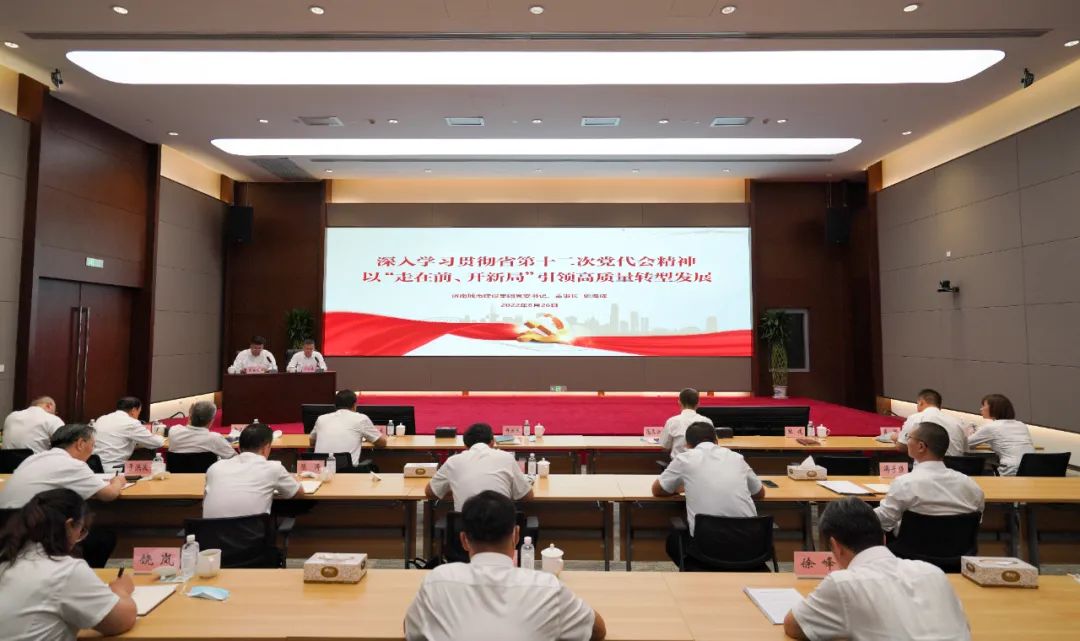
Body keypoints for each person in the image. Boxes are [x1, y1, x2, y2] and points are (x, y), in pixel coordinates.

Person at [405, 490, 606, 641]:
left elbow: (411, 629)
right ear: (516, 535)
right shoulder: (548, 587)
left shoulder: (436, 582)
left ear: (464, 540)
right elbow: (596, 631)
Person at [783, 497, 971, 641]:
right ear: (883, 538)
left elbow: (794, 625)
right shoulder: (933, 572)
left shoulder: (843, 583)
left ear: (835, 546)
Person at [0, 489, 137, 641]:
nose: (79, 537)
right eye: (81, 530)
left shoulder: (7, 556)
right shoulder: (64, 570)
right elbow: (121, 620)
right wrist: (120, 590)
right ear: (70, 525)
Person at [0, 424, 126, 567]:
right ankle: (80, 574)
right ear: (80, 443)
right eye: (93, 445)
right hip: (32, 533)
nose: (92, 451)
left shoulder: (33, 458)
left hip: (6, 524)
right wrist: (118, 481)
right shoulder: (73, 464)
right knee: (102, 539)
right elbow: (109, 494)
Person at [652, 422, 764, 566]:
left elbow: (658, 489)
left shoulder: (685, 458)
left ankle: (699, 572)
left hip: (707, 548)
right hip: (751, 546)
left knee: (673, 542)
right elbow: (759, 492)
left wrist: (680, 489)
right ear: (716, 441)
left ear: (687, 445)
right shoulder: (737, 458)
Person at [874, 422, 984, 534]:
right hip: (960, 545)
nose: (906, 441)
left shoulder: (904, 483)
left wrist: (864, 512)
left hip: (912, 544)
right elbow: (977, 521)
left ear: (921, 446)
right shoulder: (971, 485)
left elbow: (885, 520)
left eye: (908, 437)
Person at [202, 422, 303, 519]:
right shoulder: (274, 468)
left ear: (239, 448)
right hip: (252, 530)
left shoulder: (214, 468)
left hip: (210, 530)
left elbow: (204, 502)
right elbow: (298, 493)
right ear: (266, 448)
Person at [426, 423, 532, 512]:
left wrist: (454, 490)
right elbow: (527, 496)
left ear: (465, 446)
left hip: (467, 527)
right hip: (501, 526)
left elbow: (430, 492)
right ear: (492, 442)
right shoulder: (507, 458)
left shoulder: (453, 461)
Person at [310, 390, 386, 467]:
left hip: (319, 470)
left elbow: (312, 441)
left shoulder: (321, 419)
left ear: (335, 405)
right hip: (346, 471)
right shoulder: (361, 419)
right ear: (354, 405)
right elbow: (382, 443)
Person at [968, 393, 1035, 476]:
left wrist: (968, 432)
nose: (981, 409)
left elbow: (966, 443)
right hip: (1032, 469)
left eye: (983, 405)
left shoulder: (991, 427)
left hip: (1011, 471)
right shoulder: (1021, 425)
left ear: (994, 408)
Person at [92, 397, 165, 472]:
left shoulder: (102, 419)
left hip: (94, 466)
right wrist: (160, 435)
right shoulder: (131, 423)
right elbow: (157, 442)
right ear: (134, 410)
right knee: (155, 468)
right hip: (115, 467)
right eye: (139, 411)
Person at [891, 388, 967, 458]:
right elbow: (965, 449)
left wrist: (897, 438)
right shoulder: (957, 422)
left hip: (927, 467)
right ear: (940, 406)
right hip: (956, 466)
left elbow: (901, 447)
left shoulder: (916, 418)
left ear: (921, 402)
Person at [166, 400, 235, 460]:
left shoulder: (174, 431)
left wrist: (190, 415)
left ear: (190, 416)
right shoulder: (215, 438)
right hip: (207, 471)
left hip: (177, 471)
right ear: (211, 421)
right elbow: (234, 458)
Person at [658, 388, 713, 459]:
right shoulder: (707, 421)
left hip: (679, 464)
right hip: (701, 464)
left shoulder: (672, 421)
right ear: (698, 404)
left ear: (679, 402)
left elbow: (665, 447)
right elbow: (713, 446)